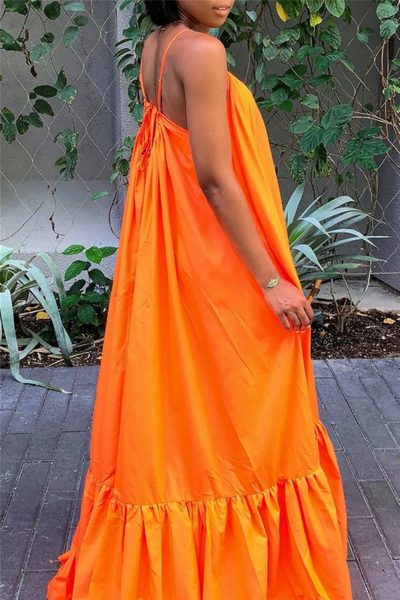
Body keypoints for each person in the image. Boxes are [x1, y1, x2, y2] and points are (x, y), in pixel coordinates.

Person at [47, 1, 353, 598]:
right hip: (218, 257)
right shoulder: (203, 52)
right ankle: (246, 556)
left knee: (187, 393)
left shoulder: (156, 45)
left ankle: (183, 537)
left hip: (179, 251)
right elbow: (214, 178)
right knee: (252, 391)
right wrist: (271, 281)